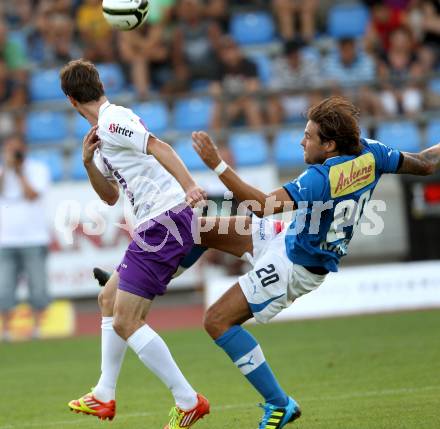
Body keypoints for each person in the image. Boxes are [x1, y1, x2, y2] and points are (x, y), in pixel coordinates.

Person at [190, 96, 440, 429]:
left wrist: (216, 164)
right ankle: (144, 286)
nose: (301, 141)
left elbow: (261, 205)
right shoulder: (372, 153)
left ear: (330, 145)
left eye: (308, 136)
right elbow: (424, 163)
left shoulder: (320, 178)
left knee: (216, 320)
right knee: (200, 228)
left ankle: (280, 405)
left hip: (295, 267)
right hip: (291, 237)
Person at [59, 59, 209, 429]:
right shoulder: (102, 135)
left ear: (71, 101)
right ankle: (104, 394)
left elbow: (159, 147)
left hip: (165, 220)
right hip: (152, 225)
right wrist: (88, 162)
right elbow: (110, 197)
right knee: (108, 299)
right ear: (99, 85)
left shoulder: (113, 121)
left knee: (126, 320)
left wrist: (190, 185)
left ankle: (188, 400)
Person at [0, 134, 51, 341]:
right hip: (6, 239)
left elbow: (33, 194)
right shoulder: (3, 171)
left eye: (16, 149)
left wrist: (20, 172)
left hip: (34, 237)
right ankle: (5, 330)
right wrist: (7, 169)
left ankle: (37, 329)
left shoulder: (38, 169)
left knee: (38, 286)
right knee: (4, 287)